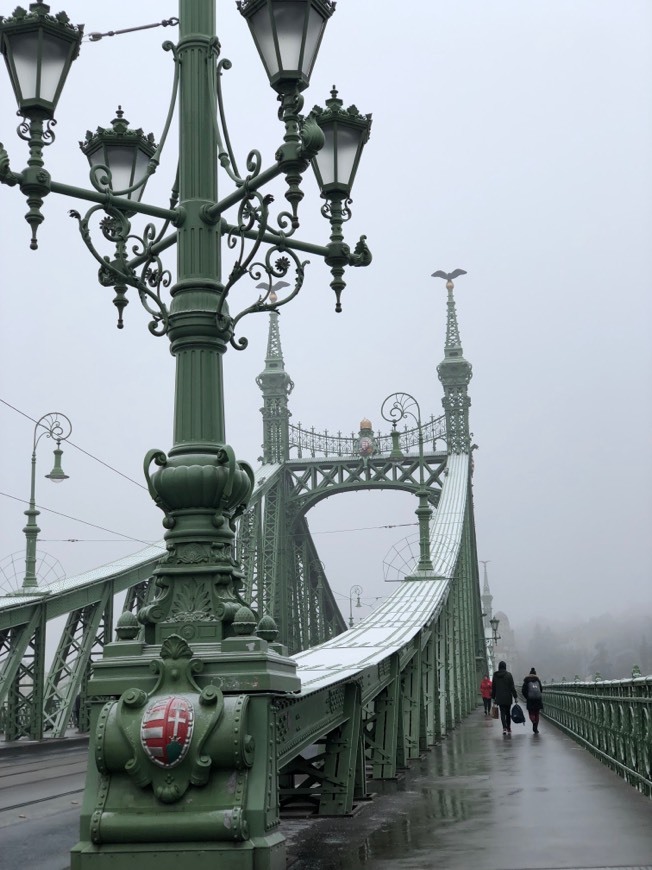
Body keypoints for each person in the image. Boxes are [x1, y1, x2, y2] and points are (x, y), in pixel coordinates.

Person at [491, 660, 517, 736]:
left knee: (502, 713)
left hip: (499, 697)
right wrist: (515, 697)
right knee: (508, 713)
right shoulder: (509, 675)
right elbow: (512, 687)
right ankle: (509, 727)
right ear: (505, 667)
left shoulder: (495, 675)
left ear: (499, 667)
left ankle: (504, 728)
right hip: (508, 697)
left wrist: (493, 697)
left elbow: (494, 687)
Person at [522, 666, 543, 734]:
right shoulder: (537, 680)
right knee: (537, 713)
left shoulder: (526, 680)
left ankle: (533, 721)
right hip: (538, 699)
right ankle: (536, 729)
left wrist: (527, 697)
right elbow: (541, 689)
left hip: (530, 699)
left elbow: (523, 690)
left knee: (531, 712)